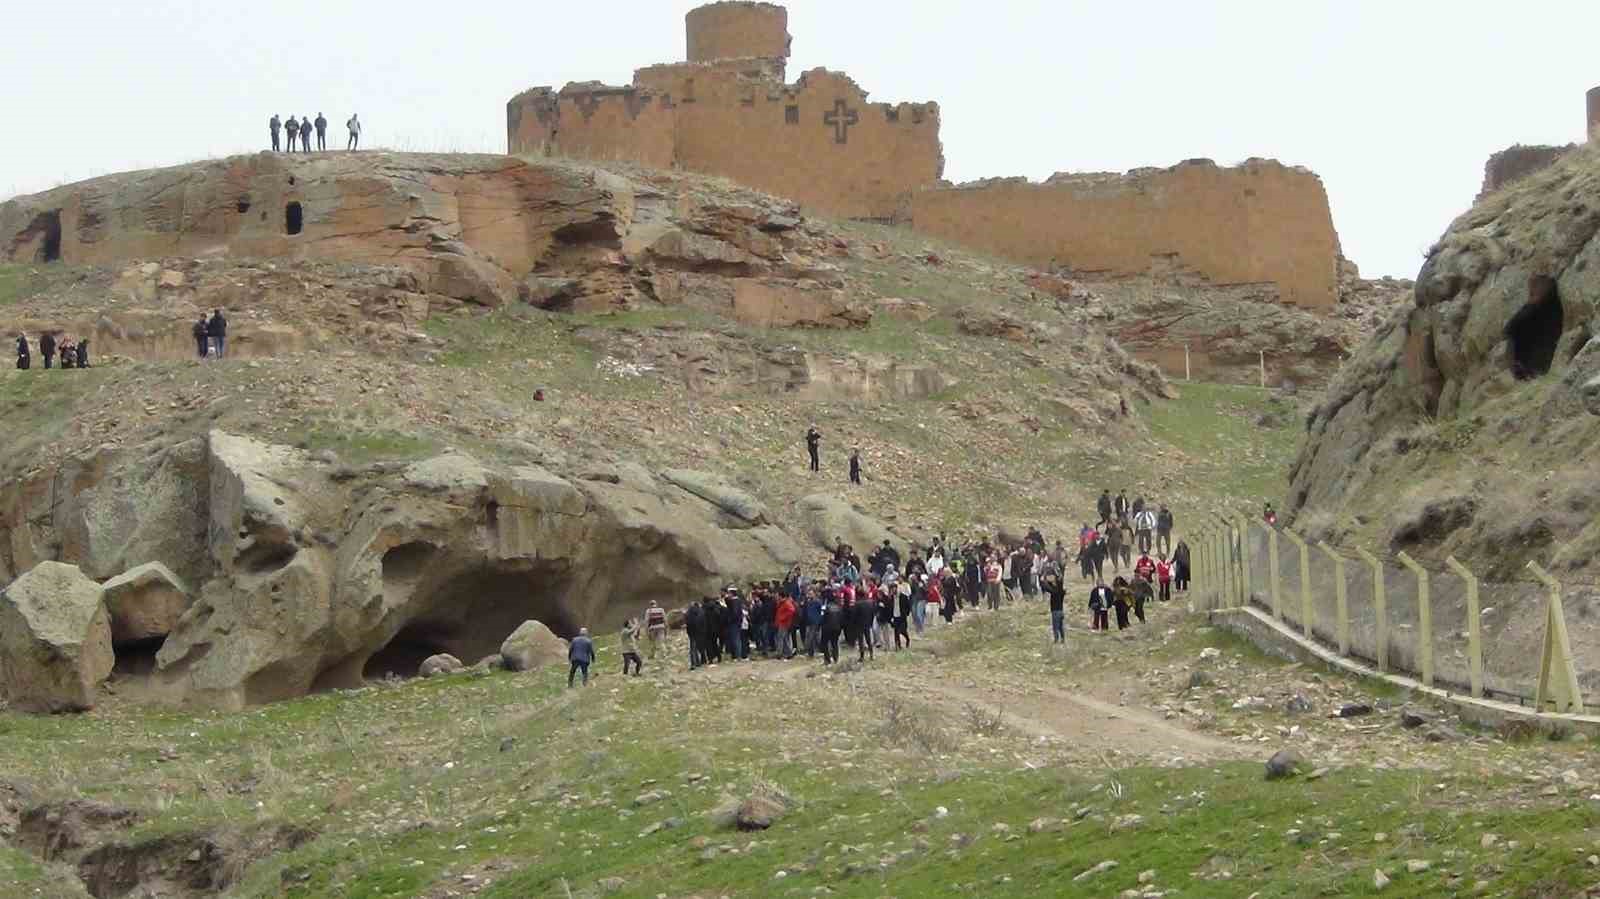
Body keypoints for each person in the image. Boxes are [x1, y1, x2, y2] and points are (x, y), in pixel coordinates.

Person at [1043, 565, 1066, 644]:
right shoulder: (1061, 591)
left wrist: (1044, 578)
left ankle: (1056, 640)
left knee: (1055, 627)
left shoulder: (1054, 592)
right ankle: (1063, 639)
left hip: (1055, 611)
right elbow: (1056, 583)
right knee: (1060, 627)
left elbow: (1047, 587)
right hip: (1061, 611)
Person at [774, 591, 797, 659]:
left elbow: (792, 610)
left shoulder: (786, 603)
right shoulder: (781, 603)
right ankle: (788, 653)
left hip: (784, 623)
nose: (776, 596)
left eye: (777, 595)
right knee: (785, 639)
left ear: (781, 596)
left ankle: (779, 653)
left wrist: (783, 618)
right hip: (781, 623)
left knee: (780, 638)